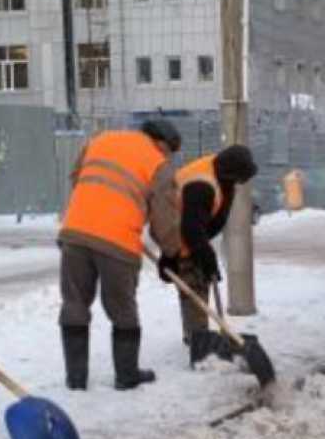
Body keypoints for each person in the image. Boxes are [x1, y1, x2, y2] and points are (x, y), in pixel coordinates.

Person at [58, 120, 183, 391]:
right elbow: (166, 217)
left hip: (75, 232)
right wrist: (171, 253)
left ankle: (76, 379)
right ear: (161, 143)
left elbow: (77, 178)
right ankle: (126, 375)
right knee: (122, 308)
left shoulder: (100, 139)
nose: (169, 157)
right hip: (118, 241)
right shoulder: (156, 162)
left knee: (75, 303)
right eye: (170, 151)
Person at [158, 145, 259, 350]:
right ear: (230, 173)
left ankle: (199, 335)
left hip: (190, 226)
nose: (239, 184)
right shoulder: (201, 186)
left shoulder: (222, 173)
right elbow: (190, 229)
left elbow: (208, 221)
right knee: (194, 283)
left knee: (202, 275)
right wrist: (200, 256)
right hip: (174, 229)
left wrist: (206, 257)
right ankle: (198, 340)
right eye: (239, 179)